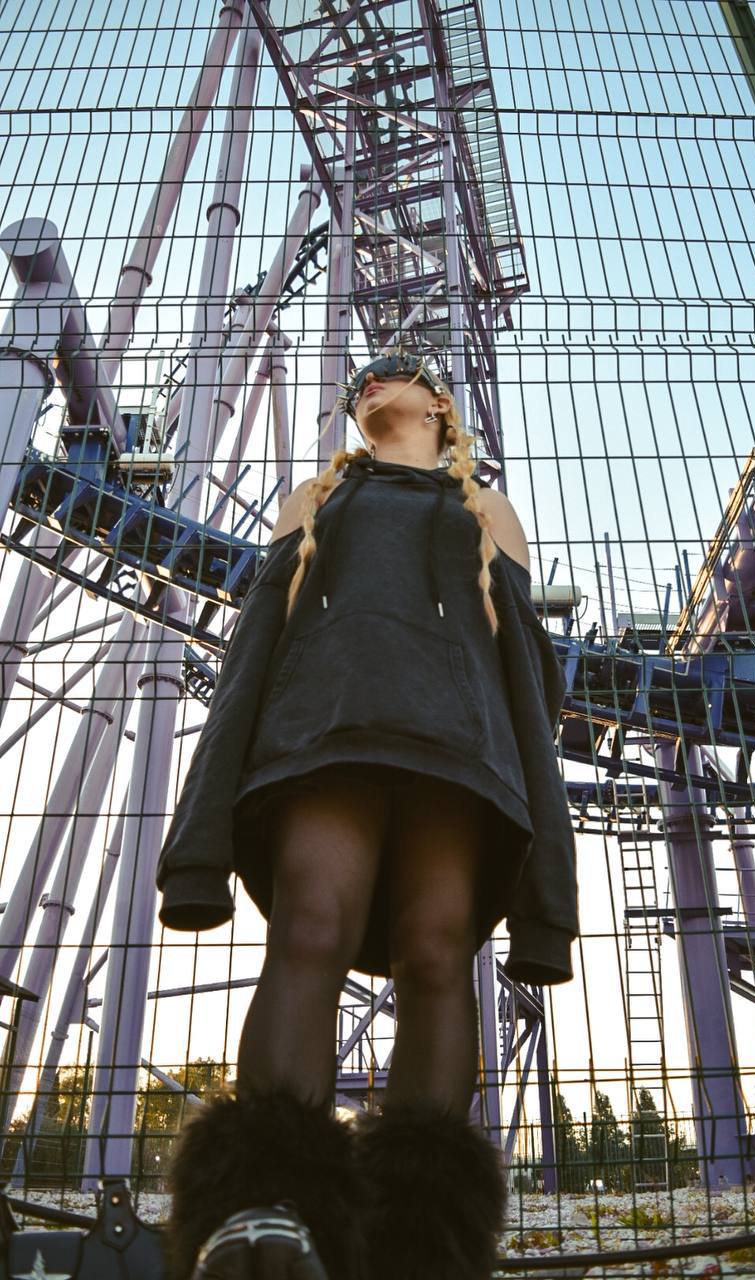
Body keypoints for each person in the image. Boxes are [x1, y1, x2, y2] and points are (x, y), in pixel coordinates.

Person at [157, 353, 578, 1280]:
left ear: (438, 405)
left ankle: (419, 1247)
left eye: (394, 373)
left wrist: (533, 809)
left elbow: (523, 662)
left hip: (456, 752)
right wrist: (204, 827)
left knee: (436, 955)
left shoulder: (487, 507)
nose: (369, 381)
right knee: (309, 927)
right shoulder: (313, 499)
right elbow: (257, 638)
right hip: (326, 731)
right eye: (360, 380)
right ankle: (262, 1213)